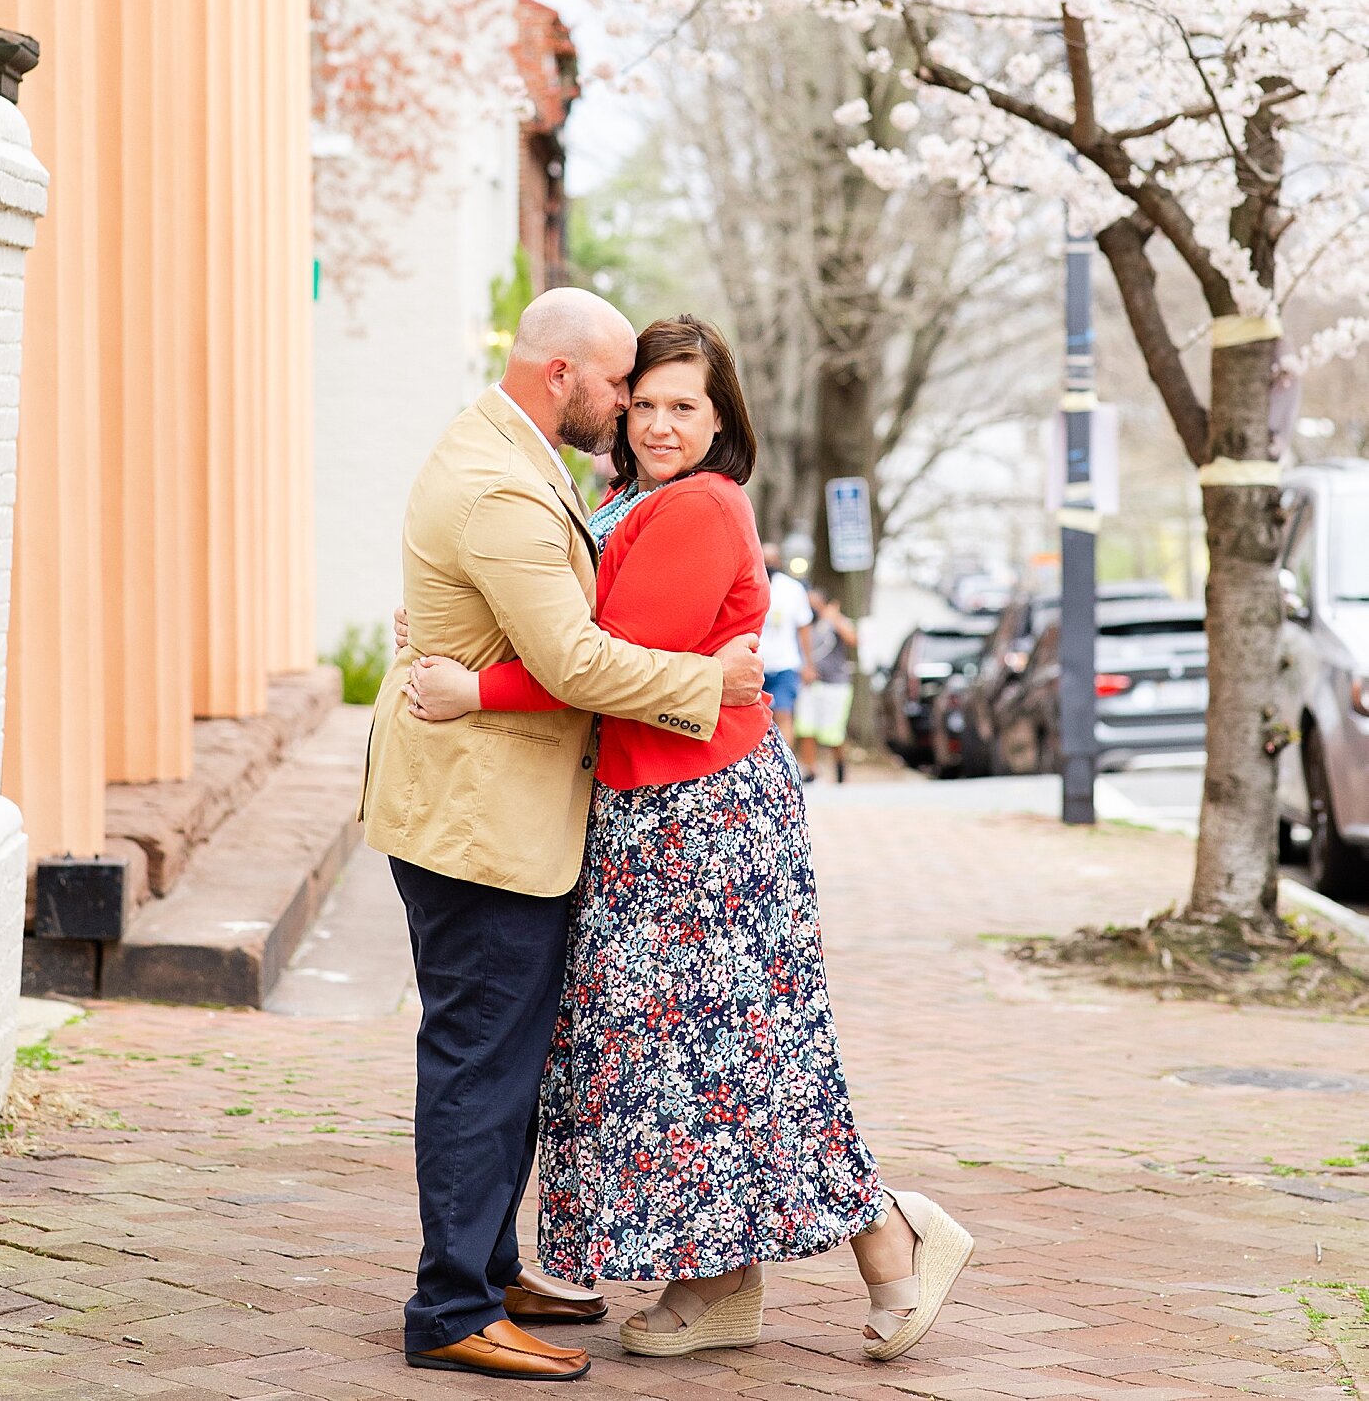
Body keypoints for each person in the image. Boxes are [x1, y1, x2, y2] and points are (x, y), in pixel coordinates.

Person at [409, 316, 974, 1367]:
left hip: (703, 819)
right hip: (649, 807)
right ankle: (715, 1284)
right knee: (683, 1060)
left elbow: (598, 661)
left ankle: (893, 1237)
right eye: (648, 401)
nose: (660, 423)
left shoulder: (700, 508)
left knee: (749, 1055)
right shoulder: (627, 499)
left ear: (723, 422)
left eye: (686, 407)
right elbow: (562, 624)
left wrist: (472, 685)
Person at [359, 288, 765, 1383]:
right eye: (622, 385)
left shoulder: (517, 455)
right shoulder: (502, 483)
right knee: (481, 1057)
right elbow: (578, 661)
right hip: (481, 824)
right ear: (564, 377)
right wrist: (708, 680)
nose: (631, 405)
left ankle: (488, 1268)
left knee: (502, 1053)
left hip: (497, 811)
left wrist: (455, 650)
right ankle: (451, 1309)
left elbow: (542, 619)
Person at [796, 589, 858, 785]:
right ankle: (811, 770)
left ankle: (840, 769)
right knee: (806, 727)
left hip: (835, 684)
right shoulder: (802, 624)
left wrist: (834, 618)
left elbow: (853, 639)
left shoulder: (833, 621)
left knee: (833, 733)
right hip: (809, 683)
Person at [759, 539, 814, 745]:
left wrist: (808, 663)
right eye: (764, 559)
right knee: (758, 720)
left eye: (772, 560)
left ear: (779, 562)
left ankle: (785, 765)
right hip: (756, 665)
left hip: (785, 665)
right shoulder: (749, 584)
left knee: (784, 714)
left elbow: (804, 628)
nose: (768, 564)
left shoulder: (793, 589)